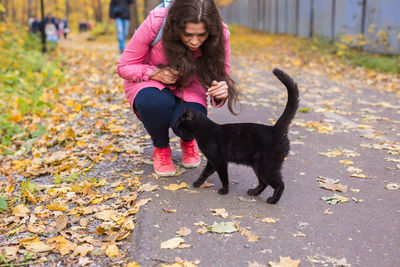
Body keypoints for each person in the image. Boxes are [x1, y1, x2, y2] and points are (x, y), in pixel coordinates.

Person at [117, 0, 239, 176]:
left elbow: (221, 75)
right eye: (188, 34)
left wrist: (221, 91)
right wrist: (154, 73)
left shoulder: (221, 33)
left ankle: (188, 140)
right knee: (154, 104)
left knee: (190, 123)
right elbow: (124, 66)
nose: (195, 42)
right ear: (176, 26)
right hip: (151, 83)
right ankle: (161, 147)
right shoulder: (156, 23)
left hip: (191, 88)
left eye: (202, 35)